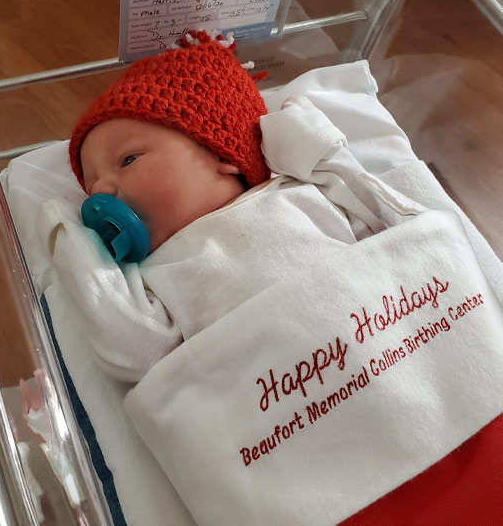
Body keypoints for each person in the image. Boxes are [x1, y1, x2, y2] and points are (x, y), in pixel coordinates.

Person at [54, 31, 389, 383]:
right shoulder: (153, 275)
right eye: (91, 188)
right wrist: (73, 240)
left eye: (128, 159)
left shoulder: (297, 194)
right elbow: (134, 353)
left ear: (221, 152)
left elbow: (379, 222)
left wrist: (319, 150)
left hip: (383, 340)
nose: (100, 193)